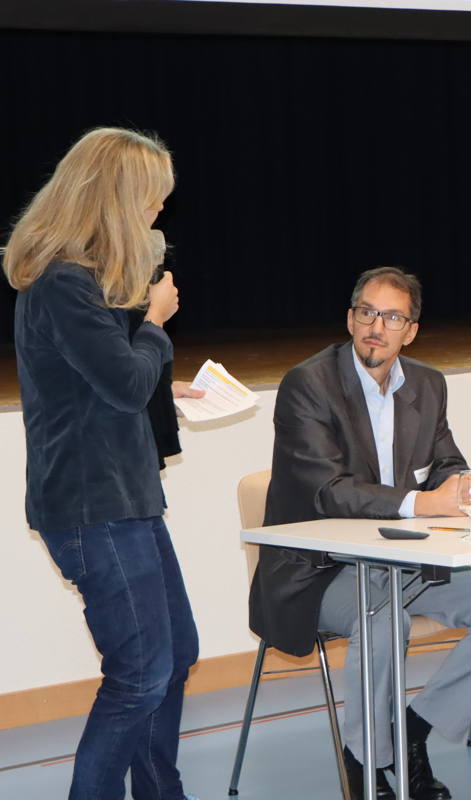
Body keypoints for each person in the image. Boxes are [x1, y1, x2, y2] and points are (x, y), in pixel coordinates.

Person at [248, 267, 471, 800]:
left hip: (403, 562)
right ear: (349, 318)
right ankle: (366, 762)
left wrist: (464, 486)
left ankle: (413, 731)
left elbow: (446, 460)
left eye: (392, 317)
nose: (375, 327)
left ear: (411, 330)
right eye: (366, 312)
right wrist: (422, 503)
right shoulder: (307, 385)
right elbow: (329, 491)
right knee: (382, 619)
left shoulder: (427, 385)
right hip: (318, 568)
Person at [5, 127, 200, 800]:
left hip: (124, 499)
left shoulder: (83, 280)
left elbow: (98, 383)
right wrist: (153, 323)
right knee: (142, 673)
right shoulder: (64, 282)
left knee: (174, 660)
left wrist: (160, 379)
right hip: (94, 509)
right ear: (118, 199)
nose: (157, 214)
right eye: (151, 200)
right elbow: (120, 380)